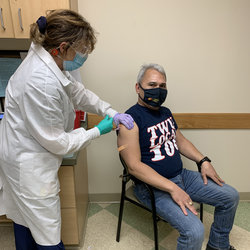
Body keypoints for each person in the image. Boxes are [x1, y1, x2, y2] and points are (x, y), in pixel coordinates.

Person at [0, 9, 134, 250]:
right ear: (62, 47)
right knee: (47, 234)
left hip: (20, 157)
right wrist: (98, 130)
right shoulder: (39, 80)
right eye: (81, 50)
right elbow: (58, 142)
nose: (82, 56)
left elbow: (76, 91)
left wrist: (110, 111)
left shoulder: (49, 60)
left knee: (27, 221)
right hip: (29, 167)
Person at [117, 63, 239, 250]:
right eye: (152, 85)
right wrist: (173, 188)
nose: (158, 90)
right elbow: (133, 166)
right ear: (137, 88)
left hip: (181, 176)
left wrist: (203, 161)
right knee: (194, 231)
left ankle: (218, 246)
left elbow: (180, 141)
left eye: (162, 86)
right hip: (152, 187)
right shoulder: (130, 120)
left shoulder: (165, 113)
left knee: (230, 196)